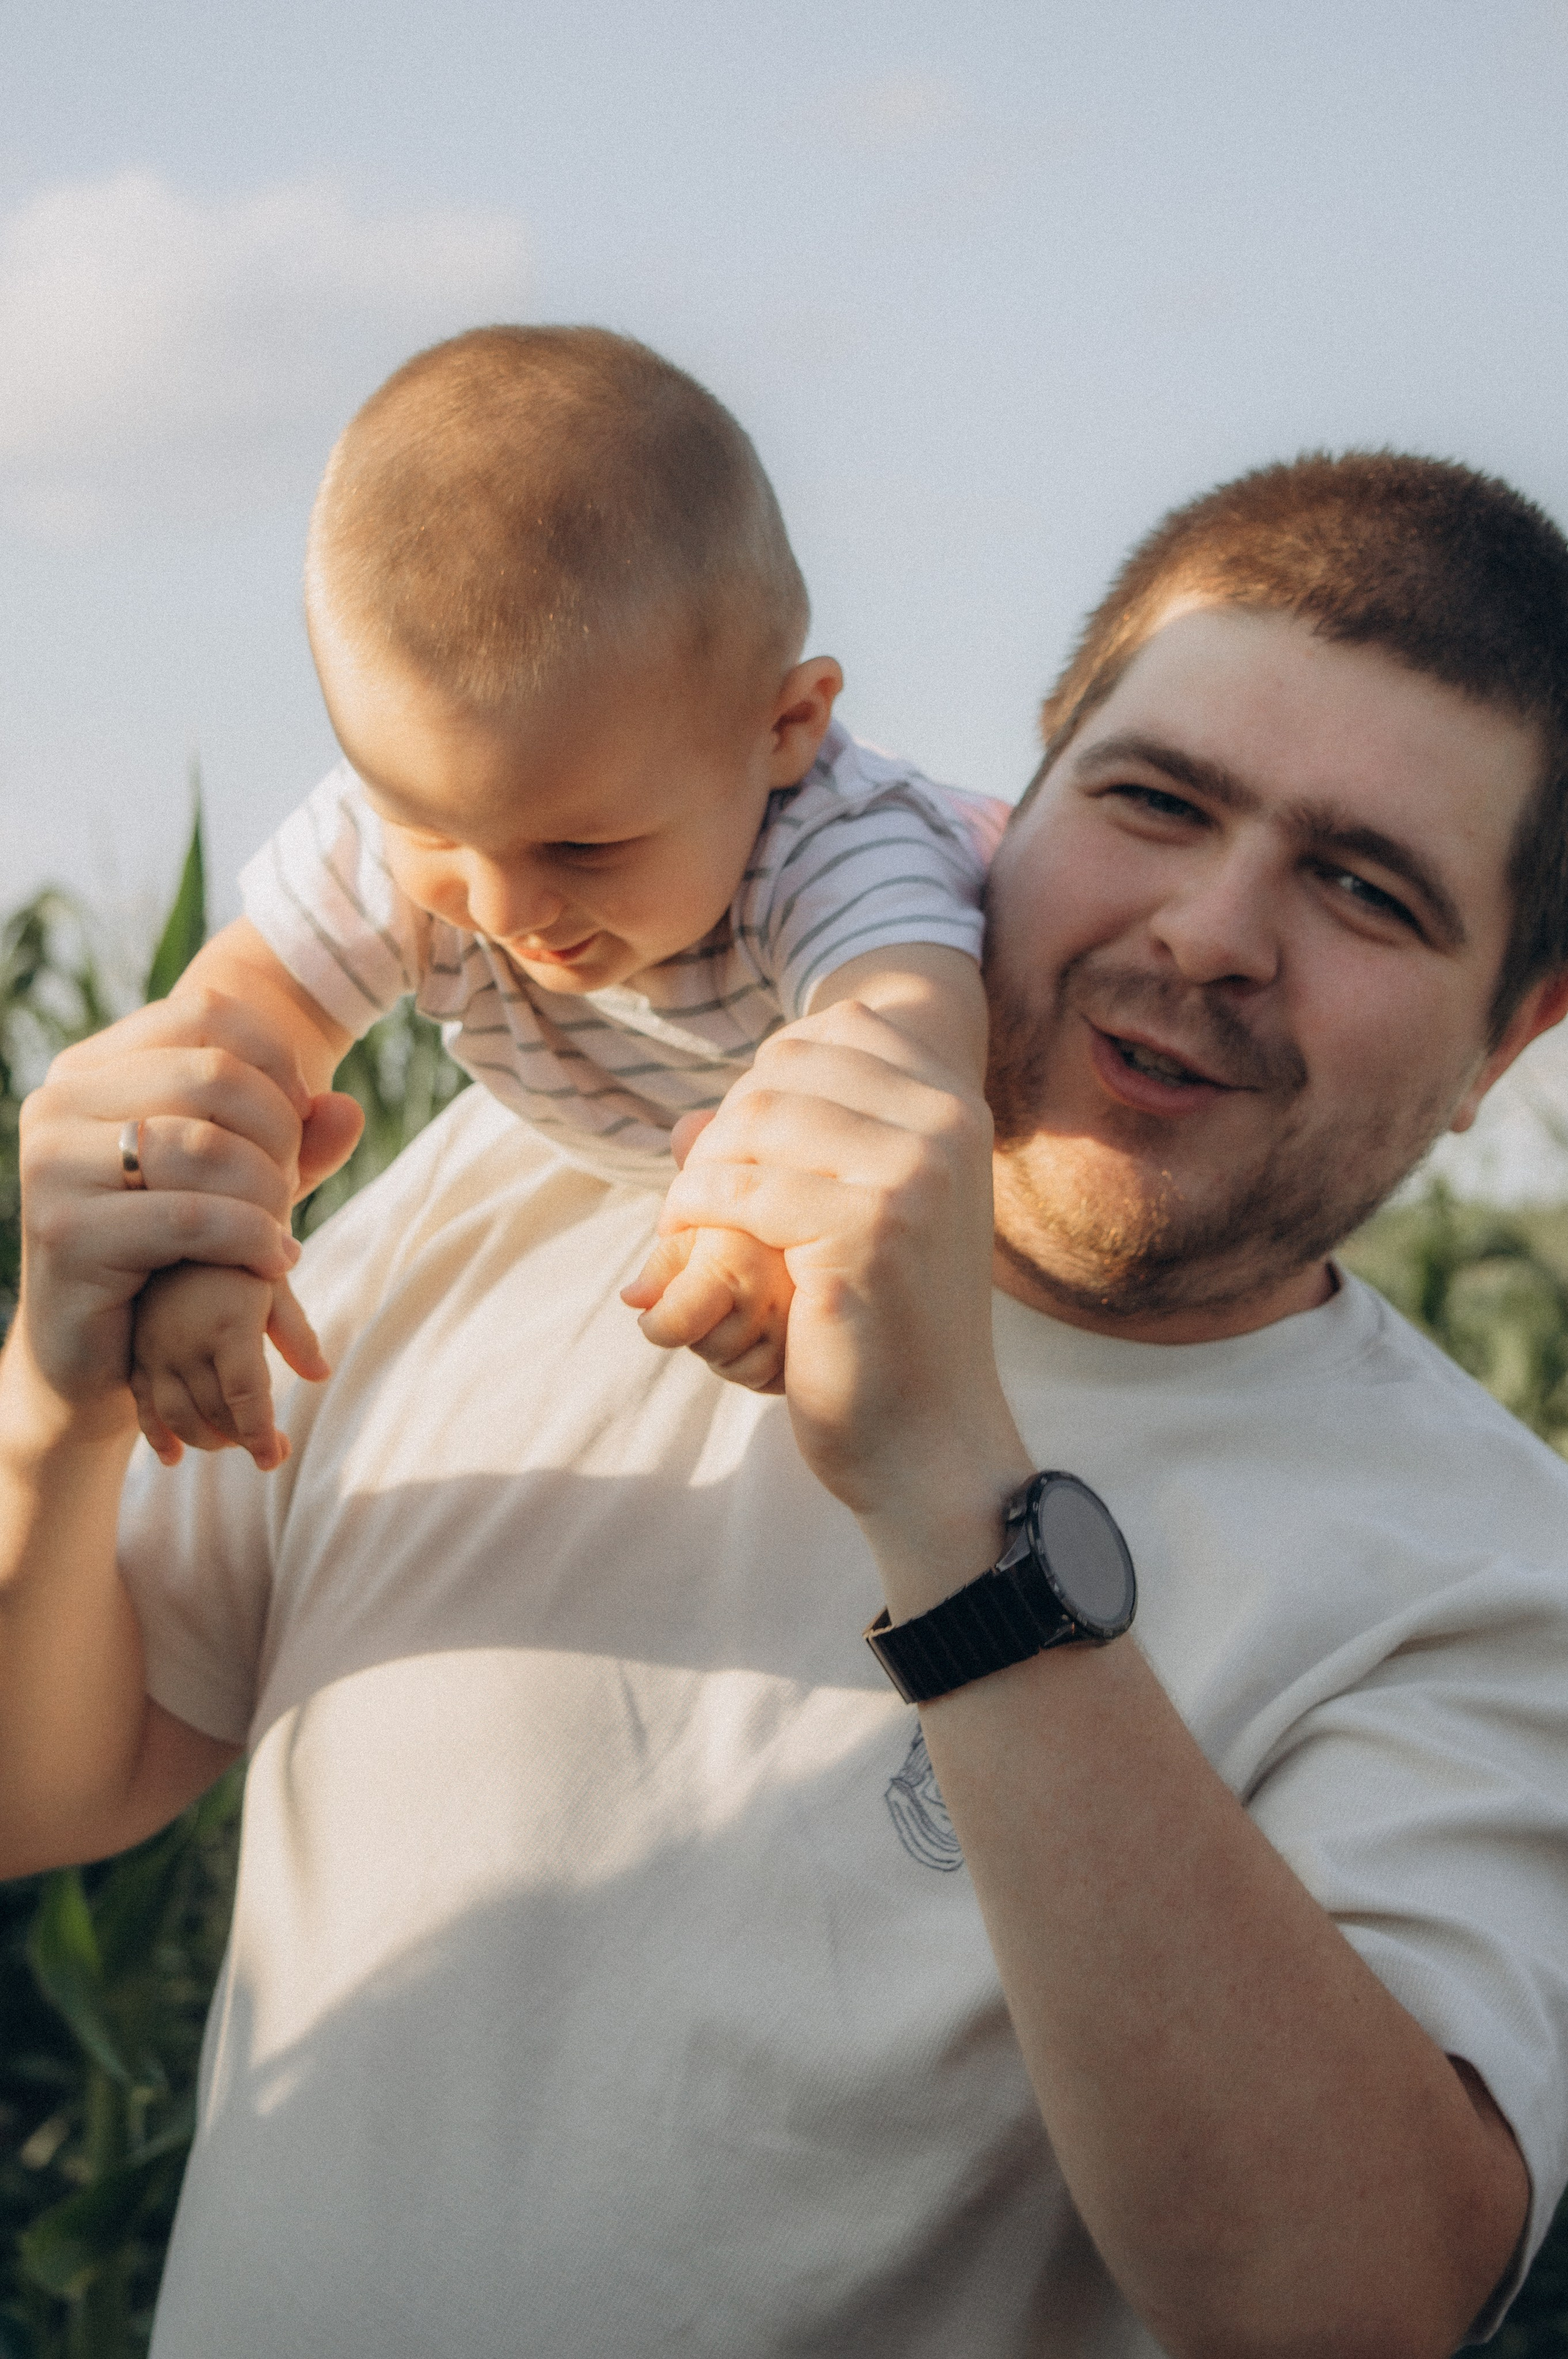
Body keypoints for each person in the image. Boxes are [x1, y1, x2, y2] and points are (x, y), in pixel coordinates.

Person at [5, 451, 1568, 2358]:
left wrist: (943, 1488)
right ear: (1018, 798)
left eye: (1364, 886)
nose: (1214, 930)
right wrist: (51, 1405)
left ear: (1514, 1031)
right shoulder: (533, 1170)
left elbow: (1343, 2306)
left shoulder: (1488, 1577)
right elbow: (49, 1785)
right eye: (1156, 799)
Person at [127, 324, 1001, 1466]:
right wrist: (205, 1246)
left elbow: (898, 1048)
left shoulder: (841, 842)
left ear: (786, 728)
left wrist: (762, 1223)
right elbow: (228, 1039)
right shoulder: (411, 829)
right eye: (431, 827)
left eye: (584, 848)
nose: (497, 904)